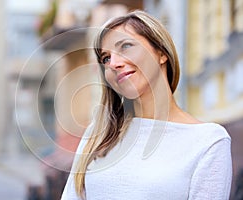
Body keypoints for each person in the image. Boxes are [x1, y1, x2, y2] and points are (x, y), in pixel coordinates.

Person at [61, 10, 232, 200]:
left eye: (125, 46)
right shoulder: (99, 134)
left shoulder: (208, 141)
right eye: (106, 58)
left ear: (161, 53)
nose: (113, 64)